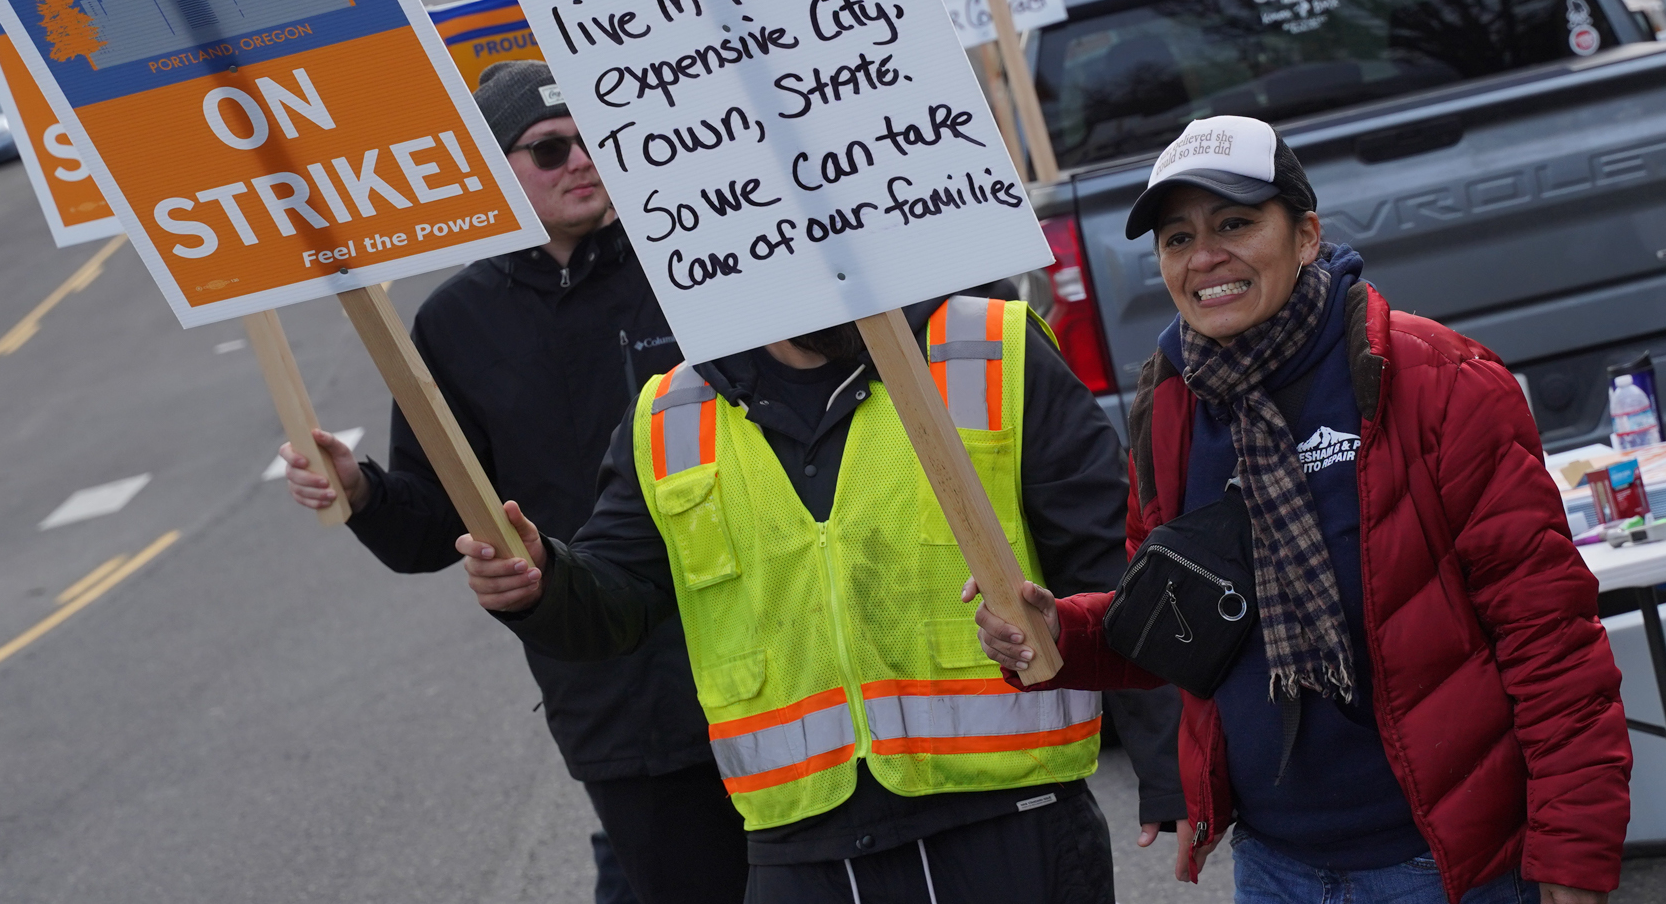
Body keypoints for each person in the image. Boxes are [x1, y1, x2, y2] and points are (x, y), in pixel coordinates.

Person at [970, 116, 1632, 904]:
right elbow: (1178, 625)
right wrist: (1060, 632)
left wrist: (1573, 853)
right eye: (1177, 238)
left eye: (1236, 223)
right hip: (1276, 866)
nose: (1205, 256)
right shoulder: (1171, 407)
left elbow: (1548, 636)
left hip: (1447, 866)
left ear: (1308, 234)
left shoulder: (1437, 381)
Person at [457, 284, 1159, 903]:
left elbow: (1112, 565)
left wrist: (1169, 766)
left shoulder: (987, 346)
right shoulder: (671, 414)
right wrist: (542, 582)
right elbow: (617, 597)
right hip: (801, 851)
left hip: (1010, 821)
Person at [278, 61, 748, 904]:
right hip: (621, 703)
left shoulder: (691, 261)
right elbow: (433, 528)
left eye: (590, 139)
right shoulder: (455, 323)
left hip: (775, 662)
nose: (580, 160)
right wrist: (361, 490)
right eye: (549, 147)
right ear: (496, 170)